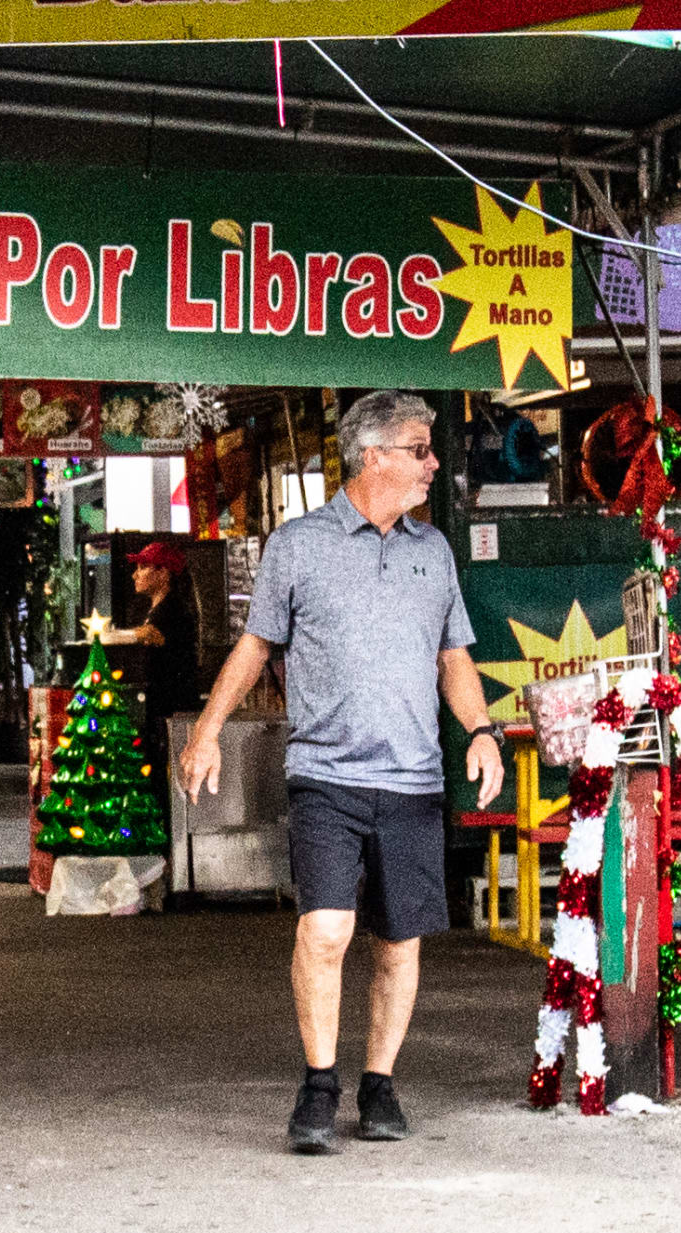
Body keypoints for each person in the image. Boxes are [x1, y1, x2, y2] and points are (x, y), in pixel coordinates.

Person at [177, 391, 505, 1155]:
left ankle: (380, 1083)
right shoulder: (298, 545)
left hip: (414, 779)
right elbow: (257, 646)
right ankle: (319, 1082)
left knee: (398, 943)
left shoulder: (434, 553)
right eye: (420, 450)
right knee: (325, 930)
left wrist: (481, 732)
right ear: (374, 455)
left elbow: (453, 658)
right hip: (326, 775)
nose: (433, 465)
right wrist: (207, 731)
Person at [113, 538, 205, 737]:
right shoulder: (157, 611)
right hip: (162, 713)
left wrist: (113, 637)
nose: (134, 575)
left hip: (170, 716)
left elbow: (150, 636)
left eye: (143, 567)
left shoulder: (172, 611)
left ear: (163, 573)